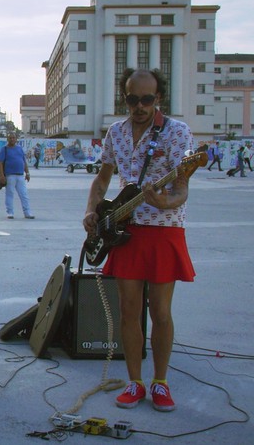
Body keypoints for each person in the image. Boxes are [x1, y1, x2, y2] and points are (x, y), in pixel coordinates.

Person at [83, 68, 195, 413]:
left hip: (163, 230)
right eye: (133, 99)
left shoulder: (176, 132)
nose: (140, 106)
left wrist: (165, 201)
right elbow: (102, 180)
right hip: (122, 229)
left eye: (147, 99)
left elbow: (181, 189)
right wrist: (91, 211)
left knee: (160, 311)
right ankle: (134, 381)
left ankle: (160, 382)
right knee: (129, 311)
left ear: (158, 98)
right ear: (125, 98)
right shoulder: (115, 132)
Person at [0, 134, 33, 219]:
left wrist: (27, 173)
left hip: (20, 176)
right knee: (9, 194)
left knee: (24, 194)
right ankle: (10, 212)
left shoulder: (19, 149)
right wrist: (2, 175)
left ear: (16, 139)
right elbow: (0, 163)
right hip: (10, 176)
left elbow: (24, 162)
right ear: (7, 139)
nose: (12, 139)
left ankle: (27, 212)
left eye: (13, 138)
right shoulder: (4, 149)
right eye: (10, 138)